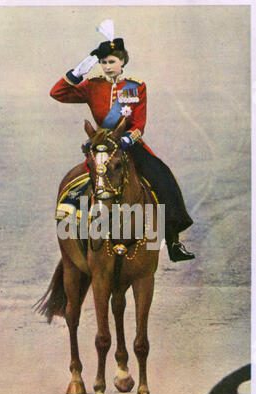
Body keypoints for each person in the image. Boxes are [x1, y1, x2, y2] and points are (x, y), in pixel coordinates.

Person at [50, 36, 195, 262]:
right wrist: (80, 71)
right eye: (103, 63)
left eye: (112, 62)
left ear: (122, 62)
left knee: (163, 178)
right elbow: (58, 93)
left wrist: (128, 139)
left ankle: (174, 242)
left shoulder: (136, 87)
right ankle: (75, 236)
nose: (107, 67)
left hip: (129, 147)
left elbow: (139, 124)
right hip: (101, 147)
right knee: (79, 185)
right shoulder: (92, 85)